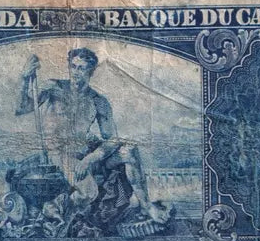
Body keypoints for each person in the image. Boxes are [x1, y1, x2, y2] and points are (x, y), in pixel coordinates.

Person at [15, 48, 169, 226]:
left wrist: (89, 159)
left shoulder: (98, 101)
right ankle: (53, 209)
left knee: (129, 151)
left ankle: (146, 206)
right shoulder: (53, 88)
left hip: (87, 154)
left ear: (91, 71)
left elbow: (112, 138)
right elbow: (21, 108)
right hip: (59, 154)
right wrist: (25, 79)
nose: (75, 72)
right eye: (73, 66)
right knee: (88, 192)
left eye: (81, 68)